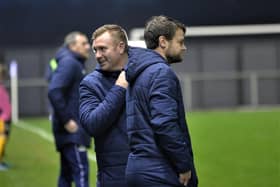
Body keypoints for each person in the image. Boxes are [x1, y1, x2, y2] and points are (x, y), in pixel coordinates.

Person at [125, 15, 198, 187]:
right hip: (159, 173)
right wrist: (183, 165)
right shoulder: (161, 73)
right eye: (180, 42)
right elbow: (164, 123)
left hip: (138, 169)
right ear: (163, 42)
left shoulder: (138, 72)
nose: (184, 47)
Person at [79, 24, 130, 187]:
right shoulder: (90, 83)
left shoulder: (142, 75)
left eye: (102, 49)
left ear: (120, 47)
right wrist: (119, 88)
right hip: (114, 176)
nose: (97, 55)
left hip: (149, 171)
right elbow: (92, 125)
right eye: (95, 50)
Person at [48, 31, 91, 187]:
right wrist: (67, 120)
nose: (88, 47)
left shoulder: (71, 61)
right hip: (71, 131)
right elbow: (54, 91)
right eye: (84, 43)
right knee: (81, 172)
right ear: (72, 46)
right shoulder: (70, 63)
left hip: (69, 131)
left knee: (66, 175)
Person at [0, 63, 11, 171]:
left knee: (4, 138)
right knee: (2, 138)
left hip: (4, 118)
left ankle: (1, 161)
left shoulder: (1, 88)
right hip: (2, 119)